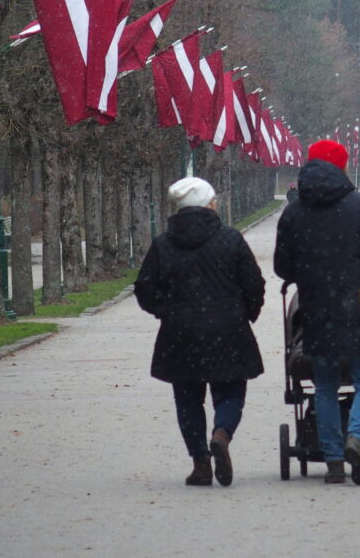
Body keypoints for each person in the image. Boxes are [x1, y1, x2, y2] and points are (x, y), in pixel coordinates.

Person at [274, 139, 360, 486]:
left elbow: (282, 268)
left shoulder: (294, 212)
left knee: (325, 384)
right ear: (342, 167)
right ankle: (358, 437)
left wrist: (310, 270)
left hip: (317, 310)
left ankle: (332, 460)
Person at [134, 177, 265, 487]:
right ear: (210, 204)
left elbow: (144, 288)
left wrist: (165, 311)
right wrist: (246, 313)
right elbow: (254, 283)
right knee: (231, 391)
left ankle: (200, 462)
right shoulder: (231, 239)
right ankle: (222, 433)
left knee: (188, 399)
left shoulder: (163, 243)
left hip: (181, 332)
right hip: (228, 327)